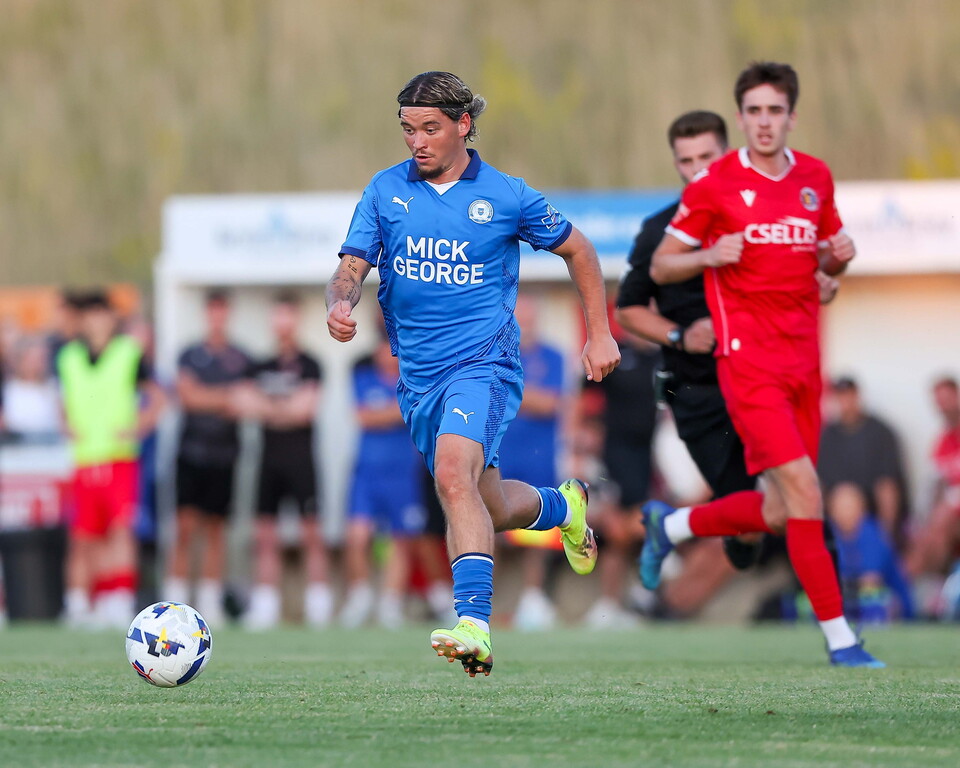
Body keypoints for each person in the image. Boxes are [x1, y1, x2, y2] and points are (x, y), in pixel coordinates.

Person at [326, 71, 620, 677]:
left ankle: (474, 626)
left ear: (463, 125)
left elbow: (580, 250)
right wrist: (340, 302)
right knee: (489, 503)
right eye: (408, 129)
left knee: (451, 475)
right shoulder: (385, 191)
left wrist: (599, 333)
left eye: (430, 128)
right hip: (419, 378)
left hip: (484, 365)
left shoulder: (507, 195)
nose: (417, 141)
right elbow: (351, 265)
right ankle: (562, 507)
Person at [644, 61, 883, 667]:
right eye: (754, 111)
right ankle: (842, 640)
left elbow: (823, 265)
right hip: (749, 367)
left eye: (775, 110)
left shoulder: (815, 178)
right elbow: (662, 265)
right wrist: (709, 255)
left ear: (791, 117)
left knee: (779, 509)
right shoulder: (715, 184)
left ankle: (671, 527)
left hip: (805, 365)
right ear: (742, 117)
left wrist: (839, 260)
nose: (765, 121)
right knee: (805, 491)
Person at [58, 290, 164, 628]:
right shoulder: (69, 357)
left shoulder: (127, 353)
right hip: (85, 457)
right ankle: (80, 602)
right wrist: (65, 423)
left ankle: (118, 598)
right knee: (84, 534)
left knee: (120, 529)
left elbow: (157, 395)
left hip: (119, 456)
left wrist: (141, 425)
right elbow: (62, 398)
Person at [238, 291, 330, 629]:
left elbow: (305, 410)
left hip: (301, 460)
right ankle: (265, 606)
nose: (283, 323)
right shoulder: (259, 365)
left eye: (288, 315)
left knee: (311, 533)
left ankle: (318, 606)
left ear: (297, 319)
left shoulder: (311, 363)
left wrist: (268, 407)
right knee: (265, 534)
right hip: (268, 461)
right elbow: (244, 404)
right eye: (277, 315)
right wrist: (284, 407)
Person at [165, 289, 251, 625]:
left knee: (216, 529)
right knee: (185, 528)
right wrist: (224, 396)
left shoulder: (241, 357)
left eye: (222, 312)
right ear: (206, 315)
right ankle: (174, 602)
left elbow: (243, 402)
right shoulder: (189, 355)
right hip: (191, 452)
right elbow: (188, 397)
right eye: (212, 312)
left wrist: (209, 396)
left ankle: (209, 601)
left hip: (224, 455)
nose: (217, 318)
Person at [340, 329, 427, 628]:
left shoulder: (412, 381)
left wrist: (389, 413)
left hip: (402, 473)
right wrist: (398, 411)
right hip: (366, 472)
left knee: (400, 539)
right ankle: (360, 596)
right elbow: (364, 416)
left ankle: (391, 603)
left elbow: (419, 415)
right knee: (357, 535)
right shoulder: (365, 378)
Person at [497, 293, 567, 630]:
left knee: (537, 527)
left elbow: (550, 404)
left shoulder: (552, 356)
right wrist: (525, 395)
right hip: (500, 451)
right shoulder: (496, 352)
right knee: (487, 522)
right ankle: (477, 599)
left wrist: (510, 390)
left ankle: (533, 597)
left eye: (527, 318)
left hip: (539, 454)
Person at [819, 377, 909, 546]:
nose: (846, 401)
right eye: (841, 396)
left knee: (883, 492)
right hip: (837, 510)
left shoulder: (880, 432)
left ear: (857, 396)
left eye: (849, 395)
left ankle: (883, 546)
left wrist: (886, 534)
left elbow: (888, 483)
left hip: (872, 512)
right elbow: (821, 483)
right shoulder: (828, 435)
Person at [905, 376, 960, 609]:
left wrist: (949, 505)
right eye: (939, 402)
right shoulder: (943, 442)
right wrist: (921, 523)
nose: (943, 406)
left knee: (941, 521)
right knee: (923, 533)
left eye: (947, 399)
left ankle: (924, 599)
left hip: (951, 518)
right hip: (946, 524)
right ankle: (913, 600)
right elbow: (931, 489)